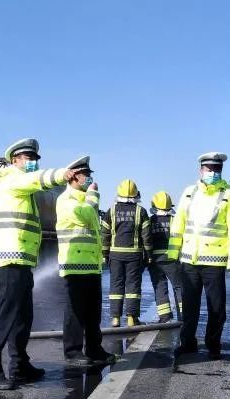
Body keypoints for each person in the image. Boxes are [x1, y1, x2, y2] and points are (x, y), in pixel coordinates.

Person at [0, 138, 76, 390]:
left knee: (22, 316)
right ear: (15, 160)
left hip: (21, 260)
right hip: (8, 259)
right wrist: (60, 175)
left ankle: (20, 366)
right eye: (28, 158)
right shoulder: (11, 178)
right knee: (4, 316)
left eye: (35, 159)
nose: (32, 163)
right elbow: (35, 180)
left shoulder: (24, 189)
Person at [168, 152, 230, 359]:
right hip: (189, 261)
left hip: (214, 262)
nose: (213, 172)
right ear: (201, 170)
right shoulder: (189, 193)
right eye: (209, 169)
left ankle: (213, 344)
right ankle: (188, 343)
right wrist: (173, 253)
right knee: (189, 306)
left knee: (217, 307)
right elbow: (179, 224)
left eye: (217, 169)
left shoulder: (229, 196)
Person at [55, 156, 116, 366]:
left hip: (91, 265)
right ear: (73, 177)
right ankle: (72, 352)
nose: (89, 179)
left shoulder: (83, 200)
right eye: (86, 175)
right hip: (74, 265)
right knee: (75, 312)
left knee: (93, 312)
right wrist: (93, 195)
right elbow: (86, 216)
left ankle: (94, 348)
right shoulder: (66, 201)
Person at [101, 179, 152, 327]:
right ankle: (131, 318)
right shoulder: (140, 211)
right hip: (134, 255)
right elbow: (146, 236)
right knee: (133, 286)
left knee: (116, 286)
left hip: (115, 255)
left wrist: (105, 254)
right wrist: (149, 255)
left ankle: (115, 318)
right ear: (136, 195)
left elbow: (105, 234)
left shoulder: (111, 210)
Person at [148, 191, 183, 323]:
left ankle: (164, 316)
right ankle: (183, 315)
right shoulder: (175, 220)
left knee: (159, 287)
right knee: (178, 287)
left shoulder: (151, 221)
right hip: (172, 259)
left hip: (155, 260)